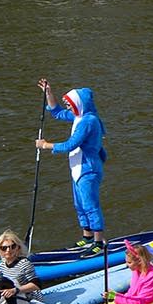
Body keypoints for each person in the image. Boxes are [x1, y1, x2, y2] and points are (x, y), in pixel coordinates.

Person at [37, 79, 108, 254]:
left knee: (90, 204)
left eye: (69, 103)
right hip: (77, 168)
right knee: (79, 204)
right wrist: (48, 93)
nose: (67, 106)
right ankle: (87, 237)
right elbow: (57, 113)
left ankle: (99, 242)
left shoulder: (88, 121)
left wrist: (46, 145)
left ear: (79, 103)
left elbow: (71, 144)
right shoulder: (79, 116)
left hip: (87, 169)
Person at [0, 231, 47, 304]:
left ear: (18, 248)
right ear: (0, 250)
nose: (8, 250)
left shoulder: (24, 263)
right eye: (4, 248)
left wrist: (15, 290)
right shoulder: (2, 264)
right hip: (13, 299)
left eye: (12, 247)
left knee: (2, 282)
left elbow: (36, 285)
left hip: (28, 301)